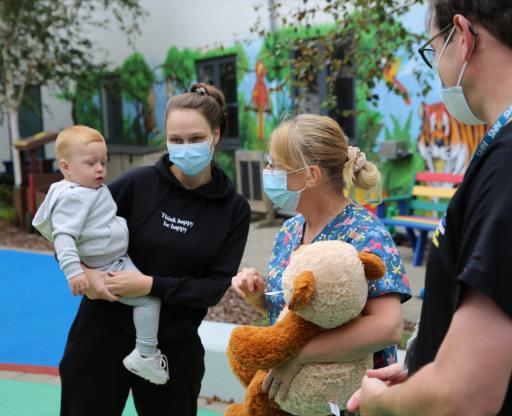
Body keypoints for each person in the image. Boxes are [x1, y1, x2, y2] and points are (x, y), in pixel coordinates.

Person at [347, 1, 512, 415]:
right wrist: (423, 364)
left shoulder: (507, 164)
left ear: (462, 36)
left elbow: (464, 396)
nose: (436, 66)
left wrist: (381, 403)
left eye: (434, 47)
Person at [58, 83, 251, 416]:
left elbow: (212, 288)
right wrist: (87, 275)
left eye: (195, 139)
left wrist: (149, 285)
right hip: (101, 332)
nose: (184, 147)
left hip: (172, 347)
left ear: (215, 136)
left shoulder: (233, 209)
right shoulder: (136, 184)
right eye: (175, 139)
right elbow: (68, 232)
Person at [231, 114, 411, 412]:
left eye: (275, 165)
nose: (268, 171)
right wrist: (259, 298)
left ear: (310, 175)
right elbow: (302, 314)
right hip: (294, 403)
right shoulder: (291, 230)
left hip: (351, 401)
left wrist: (297, 356)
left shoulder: (364, 232)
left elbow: (388, 326)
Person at [33, 125, 169, 385]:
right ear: (66, 167)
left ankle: (144, 353)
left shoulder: (88, 189)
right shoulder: (74, 198)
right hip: (108, 266)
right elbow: (64, 237)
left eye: (103, 162)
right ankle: (145, 353)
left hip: (114, 260)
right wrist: (75, 272)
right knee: (149, 300)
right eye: (91, 163)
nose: (100, 169)